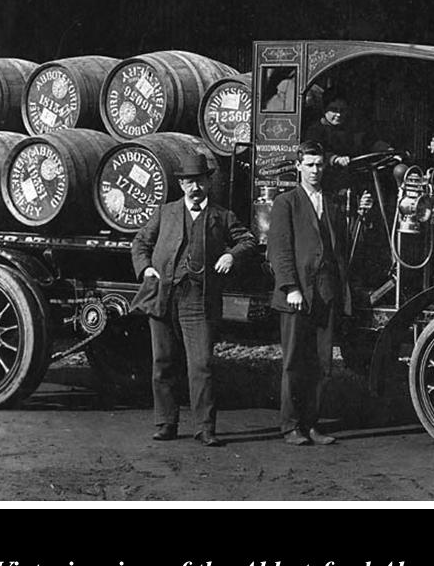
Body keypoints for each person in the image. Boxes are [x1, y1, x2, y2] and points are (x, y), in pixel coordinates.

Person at [130, 153, 256, 447]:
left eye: (199, 181)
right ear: (181, 184)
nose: (194, 187)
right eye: (188, 181)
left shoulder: (221, 216)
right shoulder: (166, 212)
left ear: (208, 182)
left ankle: (204, 428)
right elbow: (140, 242)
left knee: (201, 365)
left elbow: (248, 240)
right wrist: (146, 268)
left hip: (198, 300)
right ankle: (165, 422)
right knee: (163, 362)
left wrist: (230, 254)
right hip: (163, 295)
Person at [267, 140, 369, 446]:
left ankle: (312, 425)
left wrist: (361, 216)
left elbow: (342, 250)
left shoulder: (332, 204)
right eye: (309, 164)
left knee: (322, 365)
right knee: (295, 363)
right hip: (298, 298)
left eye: (319, 164)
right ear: (299, 166)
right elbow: (279, 250)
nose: (314, 170)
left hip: (326, 296)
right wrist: (291, 288)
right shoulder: (286, 202)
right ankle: (290, 427)